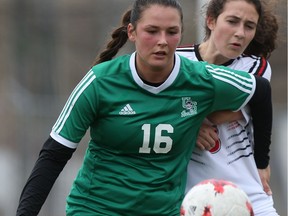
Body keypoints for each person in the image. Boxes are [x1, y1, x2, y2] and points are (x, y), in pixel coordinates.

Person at [16, 0, 273, 215]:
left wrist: (262, 162)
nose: (162, 41)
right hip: (96, 209)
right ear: (132, 32)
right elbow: (54, 155)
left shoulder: (201, 79)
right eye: (152, 31)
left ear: (181, 34)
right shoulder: (101, 81)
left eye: (171, 32)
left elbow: (261, 91)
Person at [176, 0, 279, 215]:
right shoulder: (177, 59)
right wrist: (189, 127)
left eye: (249, 26)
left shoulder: (253, 66)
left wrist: (186, 121)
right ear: (211, 21)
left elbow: (219, 113)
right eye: (232, 21)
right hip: (192, 199)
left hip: (249, 196)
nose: (240, 33)